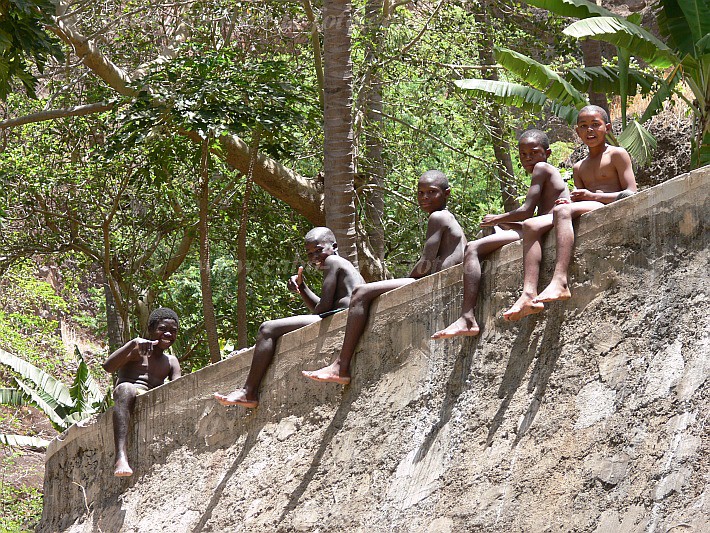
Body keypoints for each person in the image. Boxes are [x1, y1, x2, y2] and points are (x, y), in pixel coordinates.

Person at [302, 170, 466, 384]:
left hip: (438, 279)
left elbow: (426, 262)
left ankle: (341, 366)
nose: (424, 197)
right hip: (442, 277)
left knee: (361, 293)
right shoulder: (447, 218)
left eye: (431, 192)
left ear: (447, 194)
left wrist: (407, 280)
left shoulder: (438, 216)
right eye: (420, 193)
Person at [431, 129, 569, 338]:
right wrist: (502, 223)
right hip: (541, 223)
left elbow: (526, 211)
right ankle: (466, 320)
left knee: (474, 247)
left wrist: (496, 218)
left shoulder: (542, 168)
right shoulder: (540, 172)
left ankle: (468, 318)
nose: (528, 158)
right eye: (523, 154)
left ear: (546, 154)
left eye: (534, 152)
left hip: (548, 222)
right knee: (481, 242)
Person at [503, 105, 637, 320]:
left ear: (608, 128)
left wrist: (593, 196)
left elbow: (631, 193)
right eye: (583, 126)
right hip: (586, 207)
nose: (589, 130)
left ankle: (560, 281)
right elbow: (580, 197)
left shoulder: (617, 155)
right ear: (577, 132)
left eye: (595, 125)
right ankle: (528, 293)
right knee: (531, 225)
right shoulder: (579, 167)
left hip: (607, 205)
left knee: (562, 210)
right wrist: (575, 198)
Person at [214, 227, 364, 408]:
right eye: (309, 254)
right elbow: (324, 307)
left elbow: (322, 308)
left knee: (267, 329)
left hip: (341, 314)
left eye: (318, 250)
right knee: (270, 328)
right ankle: (248, 392)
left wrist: (306, 309)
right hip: (336, 313)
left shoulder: (332, 261)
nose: (314, 256)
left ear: (334, 246)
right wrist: (302, 288)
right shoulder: (339, 263)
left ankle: (249, 392)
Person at [103, 307, 181, 477]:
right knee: (127, 388)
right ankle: (121, 457)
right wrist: (133, 343)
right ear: (150, 330)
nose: (168, 334)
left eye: (173, 331)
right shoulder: (136, 350)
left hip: (152, 399)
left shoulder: (171, 361)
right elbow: (108, 367)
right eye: (162, 329)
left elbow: (178, 388)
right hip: (127, 394)